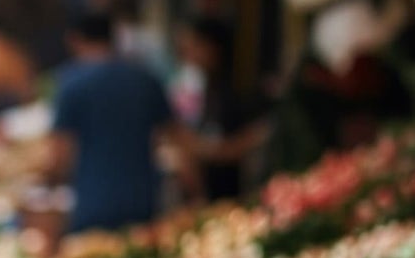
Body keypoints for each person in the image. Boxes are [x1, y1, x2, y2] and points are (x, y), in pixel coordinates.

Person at [44, 12, 174, 234]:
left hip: (93, 201)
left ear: (74, 39)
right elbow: (175, 139)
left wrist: (49, 186)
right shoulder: (145, 78)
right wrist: (198, 195)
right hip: (143, 198)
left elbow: (60, 154)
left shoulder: (71, 84)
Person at [174, 16, 270, 203]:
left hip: (244, 195)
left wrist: (201, 149)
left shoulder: (242, 88)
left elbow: (254, 137)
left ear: (212, 48)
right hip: (214, 199)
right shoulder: (207, 88)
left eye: (194, 45)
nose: (188, 54)